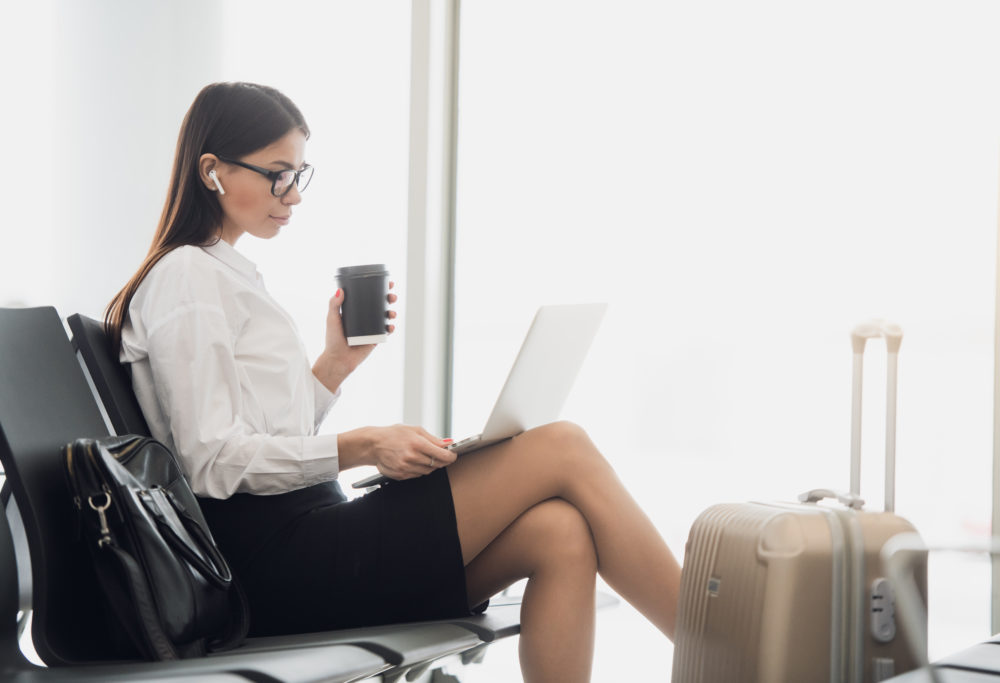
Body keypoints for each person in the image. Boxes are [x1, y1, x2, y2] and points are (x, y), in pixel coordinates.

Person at [106, 81, 681, 682]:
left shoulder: (225, 274)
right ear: (212, 171)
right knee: (562, 445)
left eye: (301, 175)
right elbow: (210, 462)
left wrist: (334, 365)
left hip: (310, 537)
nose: (293, 196)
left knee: (559, 531)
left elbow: (262, 436)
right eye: (278, 174)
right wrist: (361, 446)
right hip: (275, 564)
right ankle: (730, 651)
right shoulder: (187, 280)